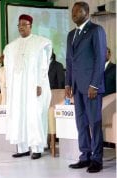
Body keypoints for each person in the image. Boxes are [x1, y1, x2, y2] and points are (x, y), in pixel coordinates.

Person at [4, 14, 52, 160]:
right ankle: (23, 148)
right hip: (18, 89)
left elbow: (43, 65)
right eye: (19, 25)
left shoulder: (39, 43)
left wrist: (39, 83)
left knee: (33, 115)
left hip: (33, 86)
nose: (21, 27)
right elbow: (8, 67)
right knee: (19, 115)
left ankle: (36, 148)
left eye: (24, 24)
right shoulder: (11, 46)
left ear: (31, 26)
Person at [66, 2, 107, 173]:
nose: (74, 14)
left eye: (78, 11)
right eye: (73, 11)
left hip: (91, 87)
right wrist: (68, 83)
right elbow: (69, 61)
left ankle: (97, 159)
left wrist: (94, 84)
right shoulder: (71, 35)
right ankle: (85, 156)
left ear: (87, 12)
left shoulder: (96, 30)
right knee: (81, 123)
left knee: (94, 123)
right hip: (76, 86)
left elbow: (100, 58)